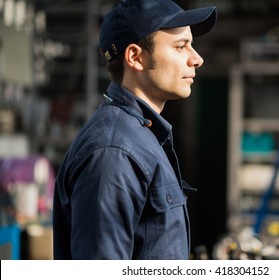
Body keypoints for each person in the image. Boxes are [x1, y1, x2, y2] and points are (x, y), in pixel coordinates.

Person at [53, 0, 217, 260]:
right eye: (180, 46)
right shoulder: (113, 151)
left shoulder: (142, 135)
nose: (197, 59)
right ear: (135, 57)